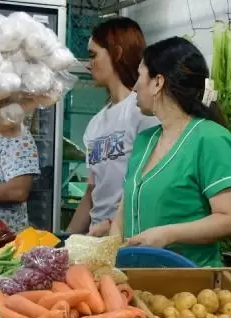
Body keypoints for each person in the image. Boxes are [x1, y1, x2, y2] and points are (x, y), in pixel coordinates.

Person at [110, 37, 231, 267]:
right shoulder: (144, 142)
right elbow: (122, 214)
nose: (134, 86)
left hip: (190, 290)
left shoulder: (211, 139)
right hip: (135, 283)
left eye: (140, 75)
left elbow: (229, 218)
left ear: (157, 82)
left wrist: (168, 234)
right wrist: (110, 258)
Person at [66, 17, 157, 236]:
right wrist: (65, 241)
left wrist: (113, 226)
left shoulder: (142, 112)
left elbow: (151, 186)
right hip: (97, 237)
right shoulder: (95, 124)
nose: (89, 64)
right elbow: (91, 192)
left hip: (129, 237)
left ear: (116, 52)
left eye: (93, 55)